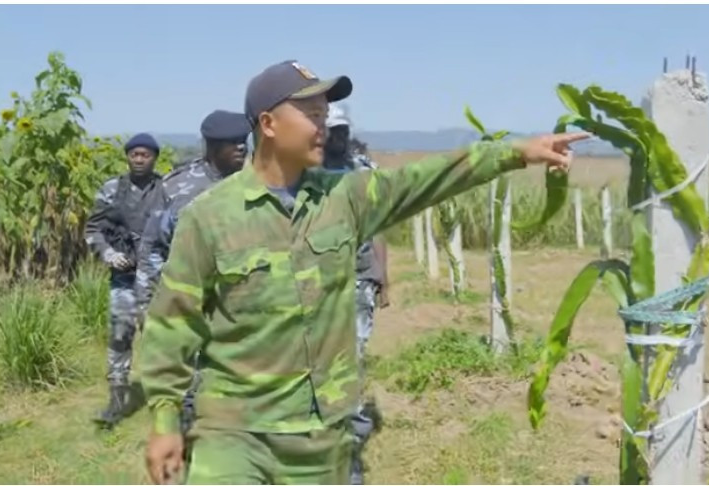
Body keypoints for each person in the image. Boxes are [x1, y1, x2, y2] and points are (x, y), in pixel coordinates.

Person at [139, 59, 588, 485]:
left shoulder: (346, 196)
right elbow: (173, 321)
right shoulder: (210, 217)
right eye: (311, 113)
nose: (323, 124)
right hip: (234, 430)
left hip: (321, 431)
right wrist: (164, 420)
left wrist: (515, 153)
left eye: (325, 112)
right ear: (269, 125)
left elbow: (426, 177)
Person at [134, 109, 251, 448]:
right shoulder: (176, 188)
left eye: (244, 142)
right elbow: (152, 248)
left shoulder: (258, 185)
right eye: (232, 144)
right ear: (211, 147)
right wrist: (147, 306)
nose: (241, 149)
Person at [322, 102, 389, 484]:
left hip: (359, 278)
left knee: (354, 356)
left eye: (344, 130)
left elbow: (379, 225)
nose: (339, 137)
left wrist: (384, 277)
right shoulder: (302, 171)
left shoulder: (365, 173)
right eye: (333, 130)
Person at [84, 132, 165, 428]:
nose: (139, 159)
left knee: (162, 340)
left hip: (160, 280)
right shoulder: (112, 189)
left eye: (145, 154)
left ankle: (166, 402)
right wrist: (107, 253)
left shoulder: (166, 188)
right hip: (124, 277)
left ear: (155, 157)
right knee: (120, 336)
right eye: (134, 154)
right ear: (127, 157)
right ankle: (117, 401)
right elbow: (93, 229)